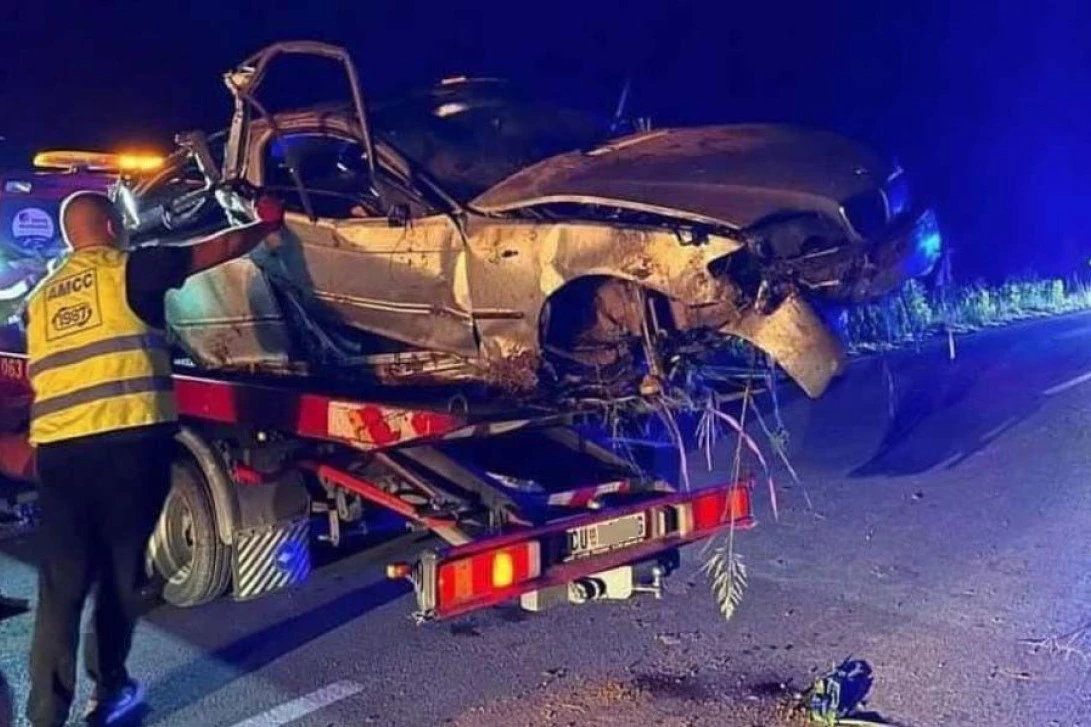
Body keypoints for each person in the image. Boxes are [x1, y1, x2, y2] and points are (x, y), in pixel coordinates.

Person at [24, 189, 284, 727]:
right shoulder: (130, 269)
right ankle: (109, 688)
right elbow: (219, 248)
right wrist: (265, 225)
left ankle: (45, 714)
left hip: (59, 457)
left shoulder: (41, 299)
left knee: (61, 589)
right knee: (120, 576)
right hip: (126, 448)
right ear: (113, 227)